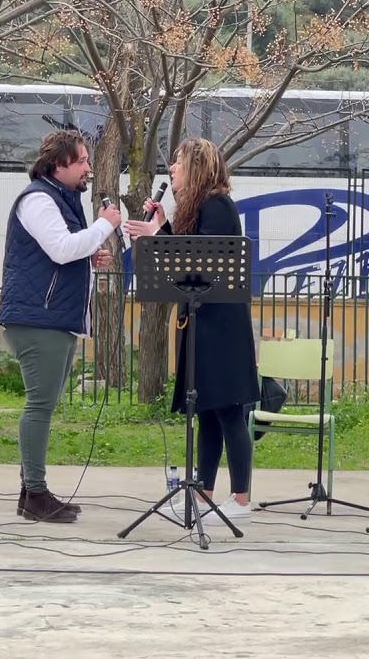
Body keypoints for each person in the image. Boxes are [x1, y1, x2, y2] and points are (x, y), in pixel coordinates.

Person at [125, 137, 259, 523]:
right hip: (201, 321)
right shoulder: (197, 206)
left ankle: (241, 499)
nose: (172, 170)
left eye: (178, 164)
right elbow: (187, 263)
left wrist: (160, 237)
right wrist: (163, 229)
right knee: (206, 411)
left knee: (229, 409)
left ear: (197, 167)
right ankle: (203, 494)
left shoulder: (216, 205)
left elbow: (204, 265)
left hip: (220, 325)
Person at [0, 129, 119, 523]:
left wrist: (90, 258)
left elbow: (65, 253)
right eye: (82, 160)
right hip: (38, 318)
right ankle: (35, 494)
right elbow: (60, 248)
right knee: (40, 406)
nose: (88, 167)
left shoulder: (62, 199)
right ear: (58, 165)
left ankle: (30, 492)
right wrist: (104, 227)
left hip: (53, 317)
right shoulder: (38, 199)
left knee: (44, 405)